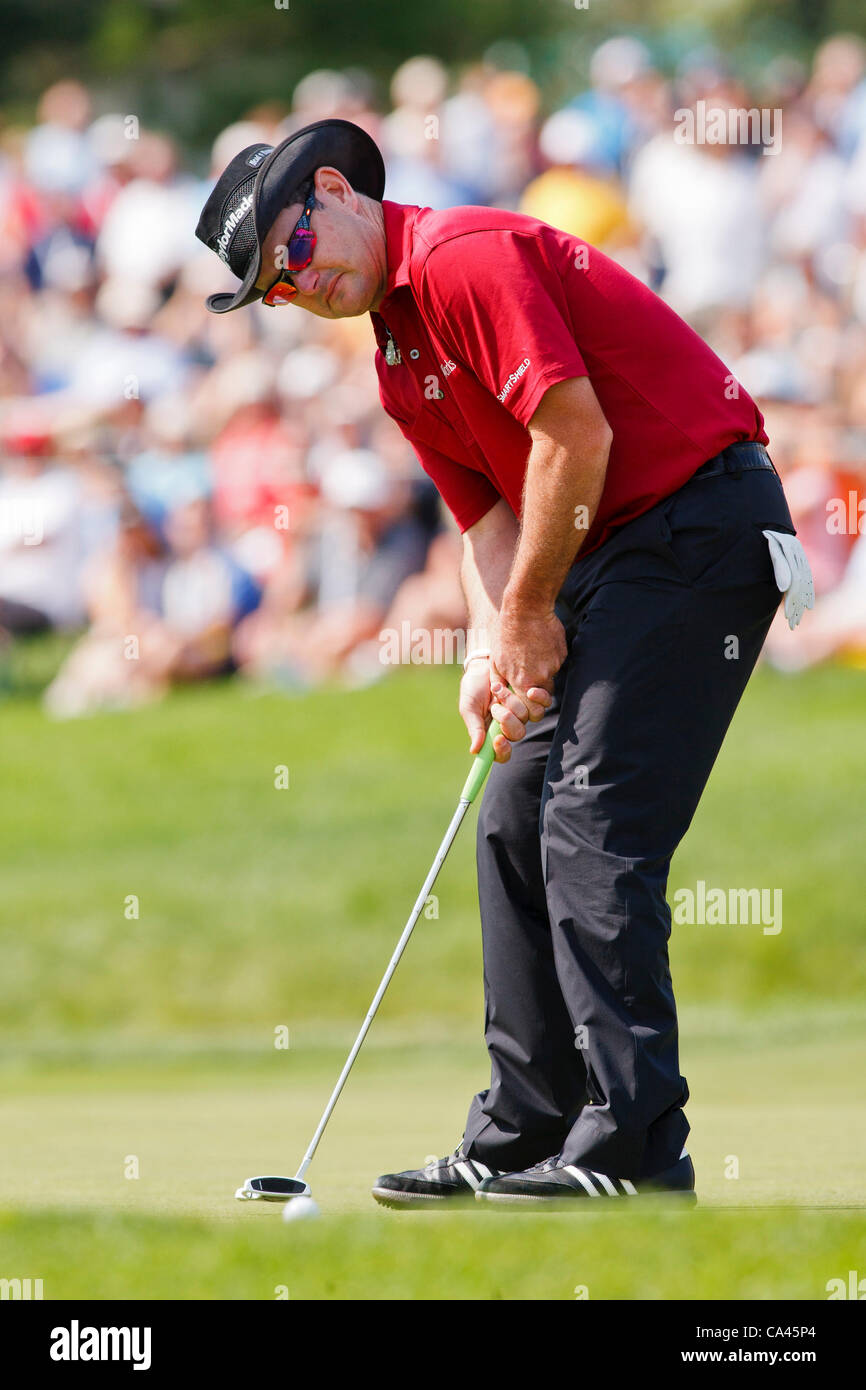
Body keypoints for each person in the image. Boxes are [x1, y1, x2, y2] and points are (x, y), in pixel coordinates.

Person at [195, 118, 814, 1206]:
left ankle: (632, 1146)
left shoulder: (462, 258)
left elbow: (575, 438)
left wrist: (528, 611)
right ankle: (523, 1129)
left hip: (697, 524)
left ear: (333, 191)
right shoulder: (394, 353)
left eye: (290, 255)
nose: (299, 287)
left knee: (591, 823)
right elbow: (485, 518)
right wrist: (492, 644)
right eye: (273, 292)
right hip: (609, 552)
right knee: (509, 812)